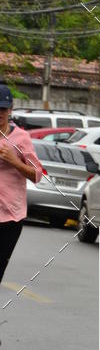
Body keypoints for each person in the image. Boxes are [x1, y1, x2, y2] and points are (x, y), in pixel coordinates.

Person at [0, 84, 43, 288]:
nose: (0, 113)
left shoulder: (21, 138)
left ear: (10, 110)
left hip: (10, 217)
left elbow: (37, 175)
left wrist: (14, 161)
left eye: (3, 109)